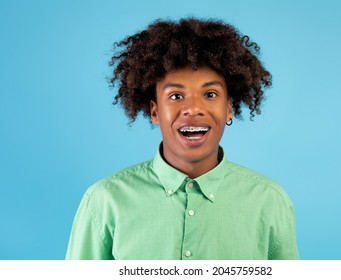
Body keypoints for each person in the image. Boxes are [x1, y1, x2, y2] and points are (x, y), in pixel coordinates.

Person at [66, 18, 299, 260]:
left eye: (210, 94)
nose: (193, 108)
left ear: (228, 108)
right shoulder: (105, 202)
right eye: (176, 96)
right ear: (155, 111)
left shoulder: (269, 202)